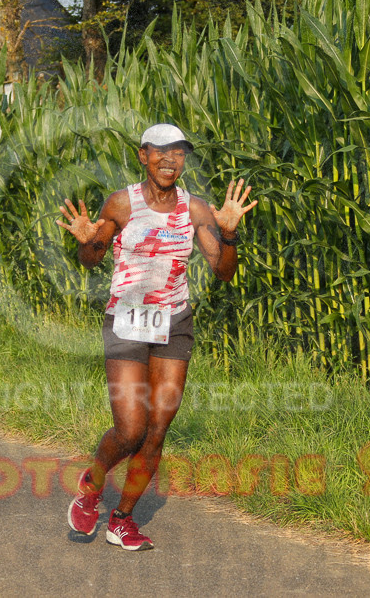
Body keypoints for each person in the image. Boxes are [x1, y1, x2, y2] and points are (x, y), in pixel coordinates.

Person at [56, 123, 257, 551]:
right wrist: (88, 241)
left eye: (178, 153)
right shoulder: (121, 203)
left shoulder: (195, 209)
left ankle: (122, 520)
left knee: (157, 430)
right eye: (161, 152)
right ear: (143, 155)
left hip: (174, 322)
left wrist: (230, 233)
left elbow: (223, 271)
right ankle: (91, 486)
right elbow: (91, 259)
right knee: (131, 430)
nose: (170, 160)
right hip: (127, 320)